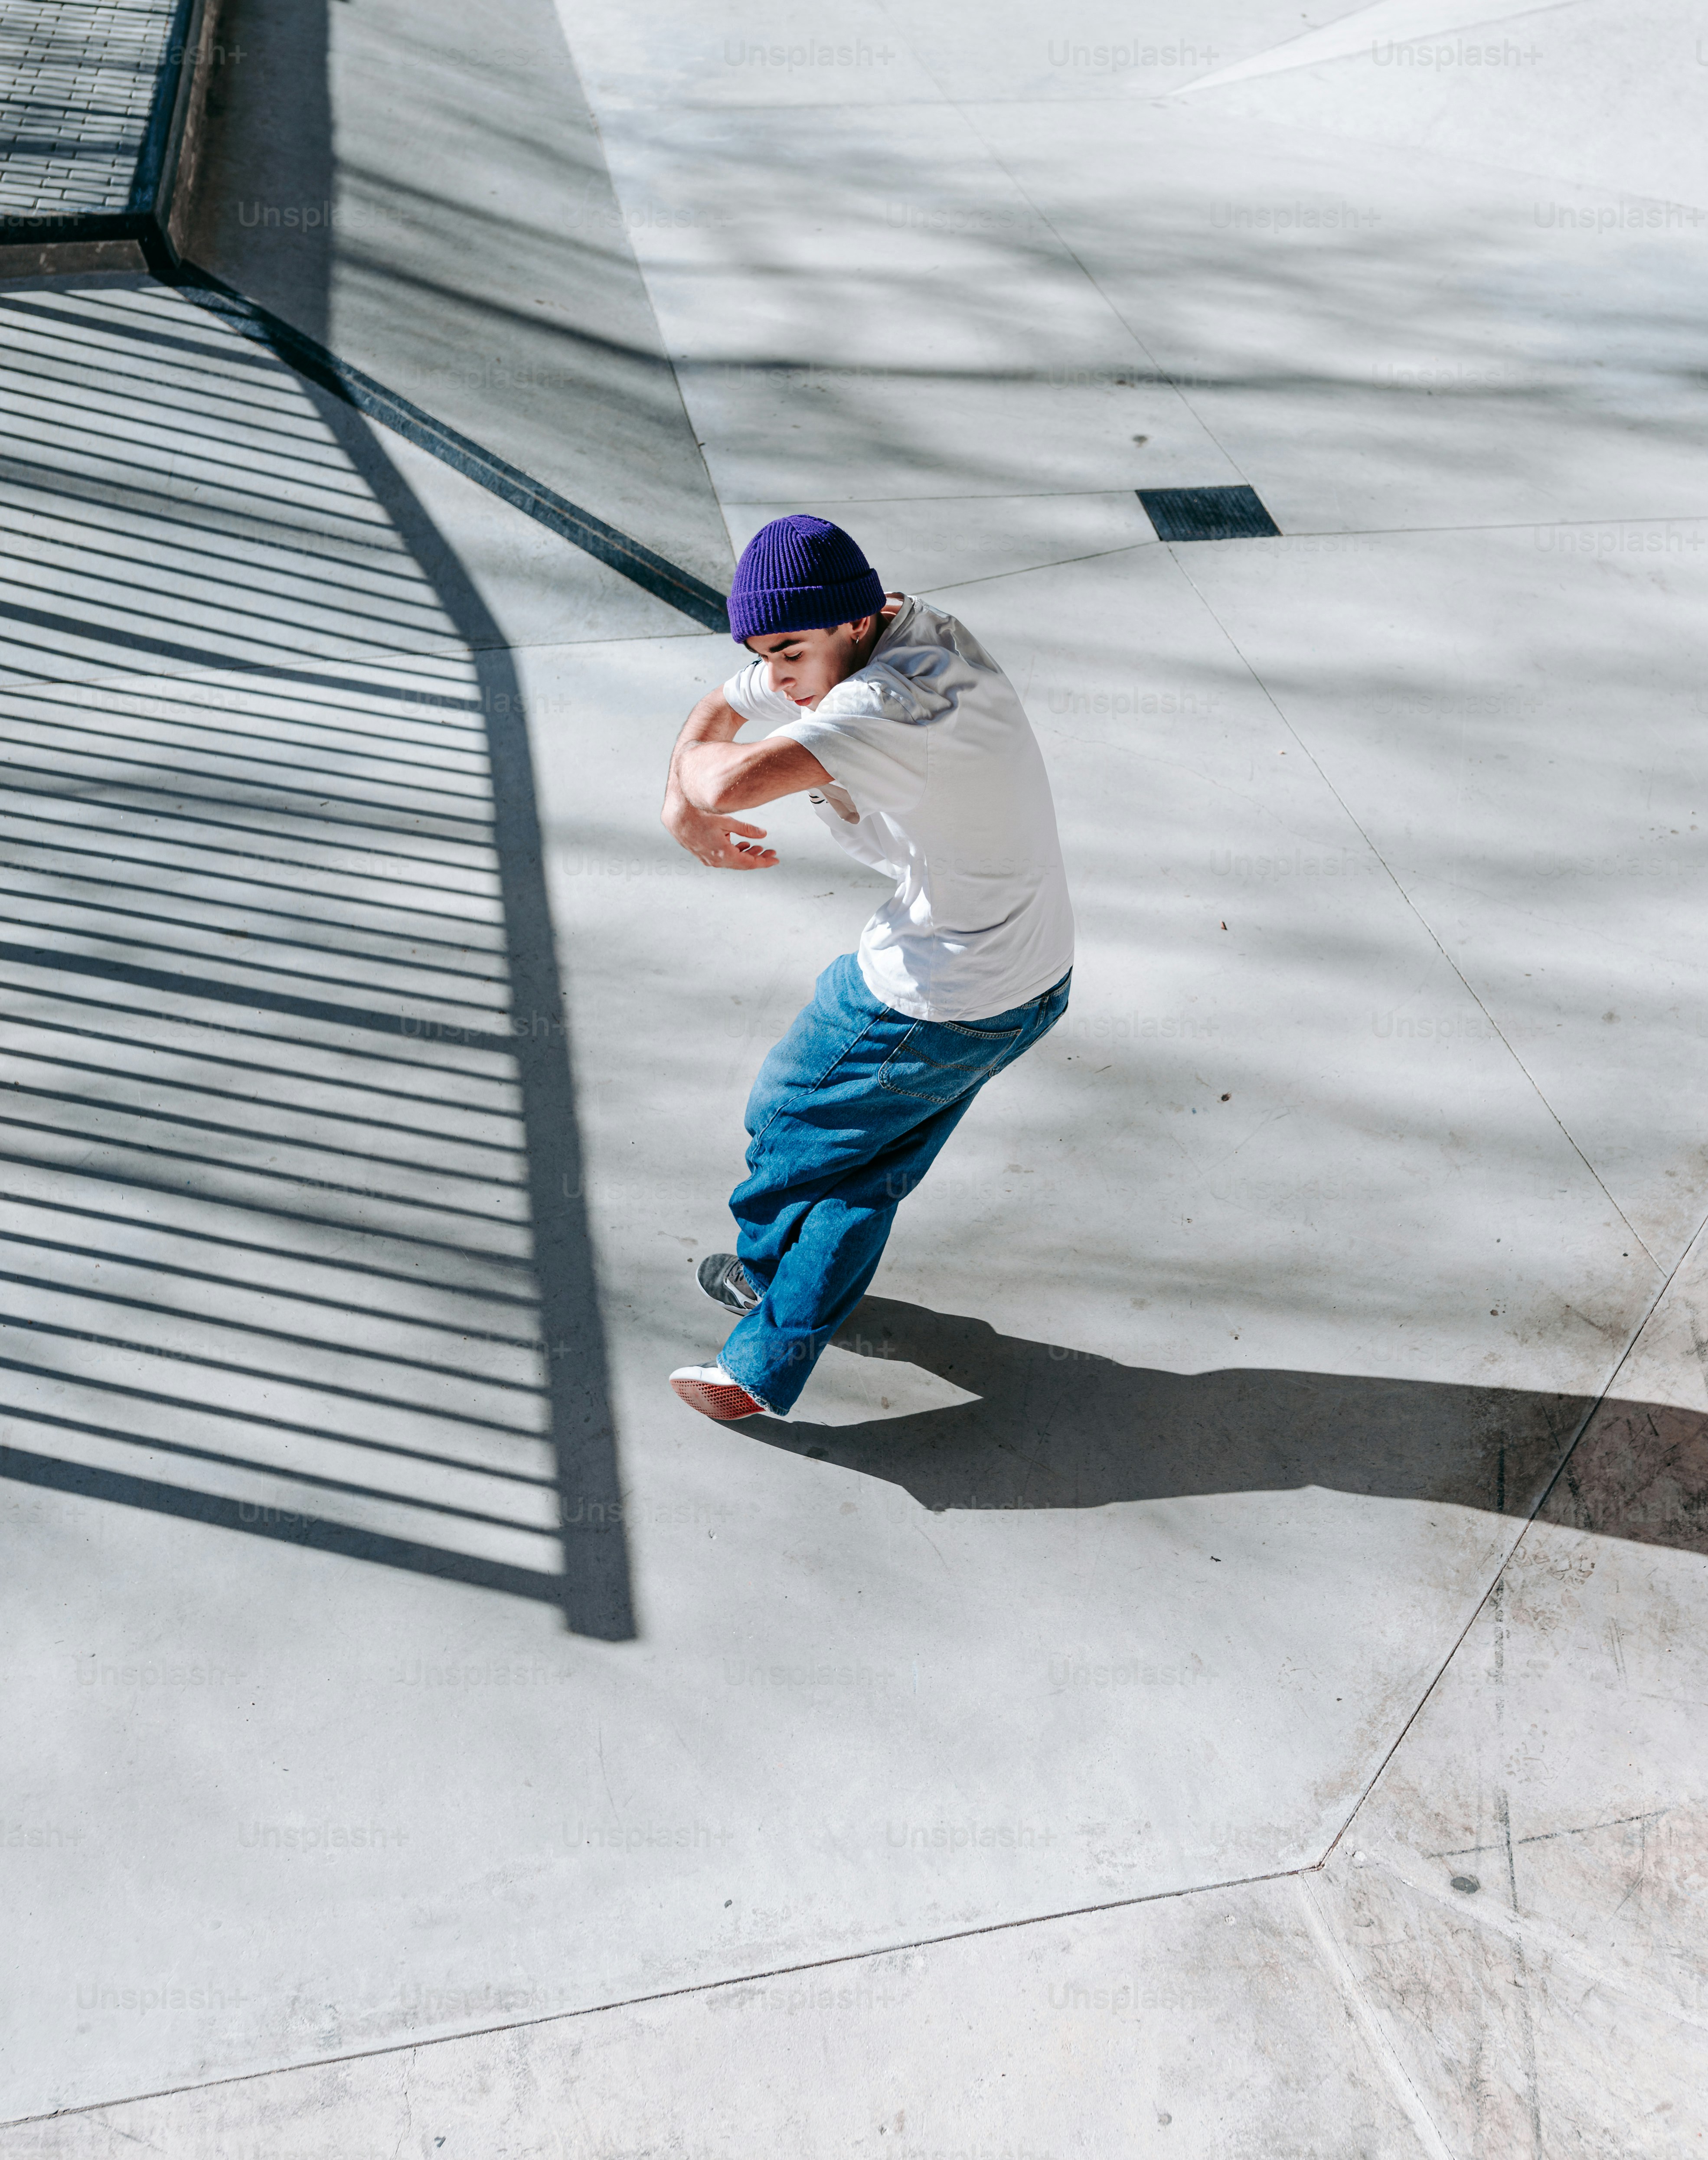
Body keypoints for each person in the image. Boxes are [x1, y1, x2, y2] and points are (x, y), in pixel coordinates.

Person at [660, 515, 1074, 1420]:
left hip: (939, 990)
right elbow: (724, 709)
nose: (777, 680)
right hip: (1027, 974)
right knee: (863, 1171)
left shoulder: (891, 708)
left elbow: (725, 781)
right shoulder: (898, 627)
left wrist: (687, 799)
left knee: (787, 1115)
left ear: (855, 627)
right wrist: (678, 794)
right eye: (765, 655)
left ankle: (762, 1272)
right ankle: (760, 1368)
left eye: (790, 656)